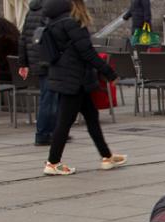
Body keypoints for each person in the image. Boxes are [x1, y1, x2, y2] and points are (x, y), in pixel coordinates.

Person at [42, 0, 126, 176]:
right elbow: (87, 52)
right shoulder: (72, 22)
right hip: (75, 78)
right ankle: (53, 162)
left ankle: (106, 156)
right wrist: (109, 73)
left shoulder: (53, 20)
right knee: (65, 121)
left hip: (69, 76)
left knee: (92, 117)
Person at [19, 0, 59, 147]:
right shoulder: (49, 11)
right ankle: (43, 134)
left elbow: (23, 38)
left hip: (36, 60)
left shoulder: (31, 11)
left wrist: (23, 63)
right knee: (49, 99)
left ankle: (53, 131)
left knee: (48, 97)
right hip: (48, 59)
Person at [0, 17, 19, 83]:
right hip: (14, 74)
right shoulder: (11, 38)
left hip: (5, 74)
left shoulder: (2, 42)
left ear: (0, 28)